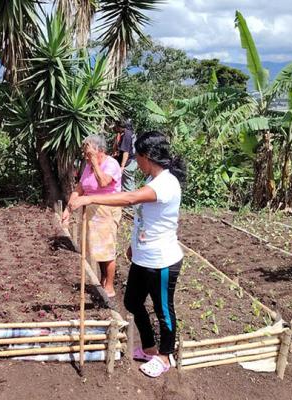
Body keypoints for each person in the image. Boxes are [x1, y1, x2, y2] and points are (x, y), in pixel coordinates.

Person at [68, 131, 185, 378]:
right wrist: (134, 245)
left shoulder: (166, 183)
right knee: (132, 301)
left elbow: (130, 199)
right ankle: (149, 348)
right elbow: (145, 218)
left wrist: (87, 198)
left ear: (147, 156)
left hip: (162, 260)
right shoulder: (153, 181)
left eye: (137, 157)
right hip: (143, 257)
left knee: (164, 310)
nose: (135, 161)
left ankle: (165, 357)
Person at [62, 135, 122, 298]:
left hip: (107, 209)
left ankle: (109, 287)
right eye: (85, 153)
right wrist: (68, 209)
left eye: (88, 152)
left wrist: (94, 161)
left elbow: (103, 182)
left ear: (99, 150)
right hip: (91, 210)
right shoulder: (88, 166)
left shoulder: (111, 164)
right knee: (96, 249)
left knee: (106, 249)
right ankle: (102, 280)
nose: (85, 156)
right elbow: (80, 188)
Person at [112, 119, 137, 193]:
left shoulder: (126, 135)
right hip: (132, 161)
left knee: (128, 186)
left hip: (128, 163)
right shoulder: (128, 133)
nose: (114, 129)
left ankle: (132, 203)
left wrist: (122, 166)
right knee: (128, 184)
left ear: (119, 126)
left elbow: (126, 152)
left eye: (115, 126)